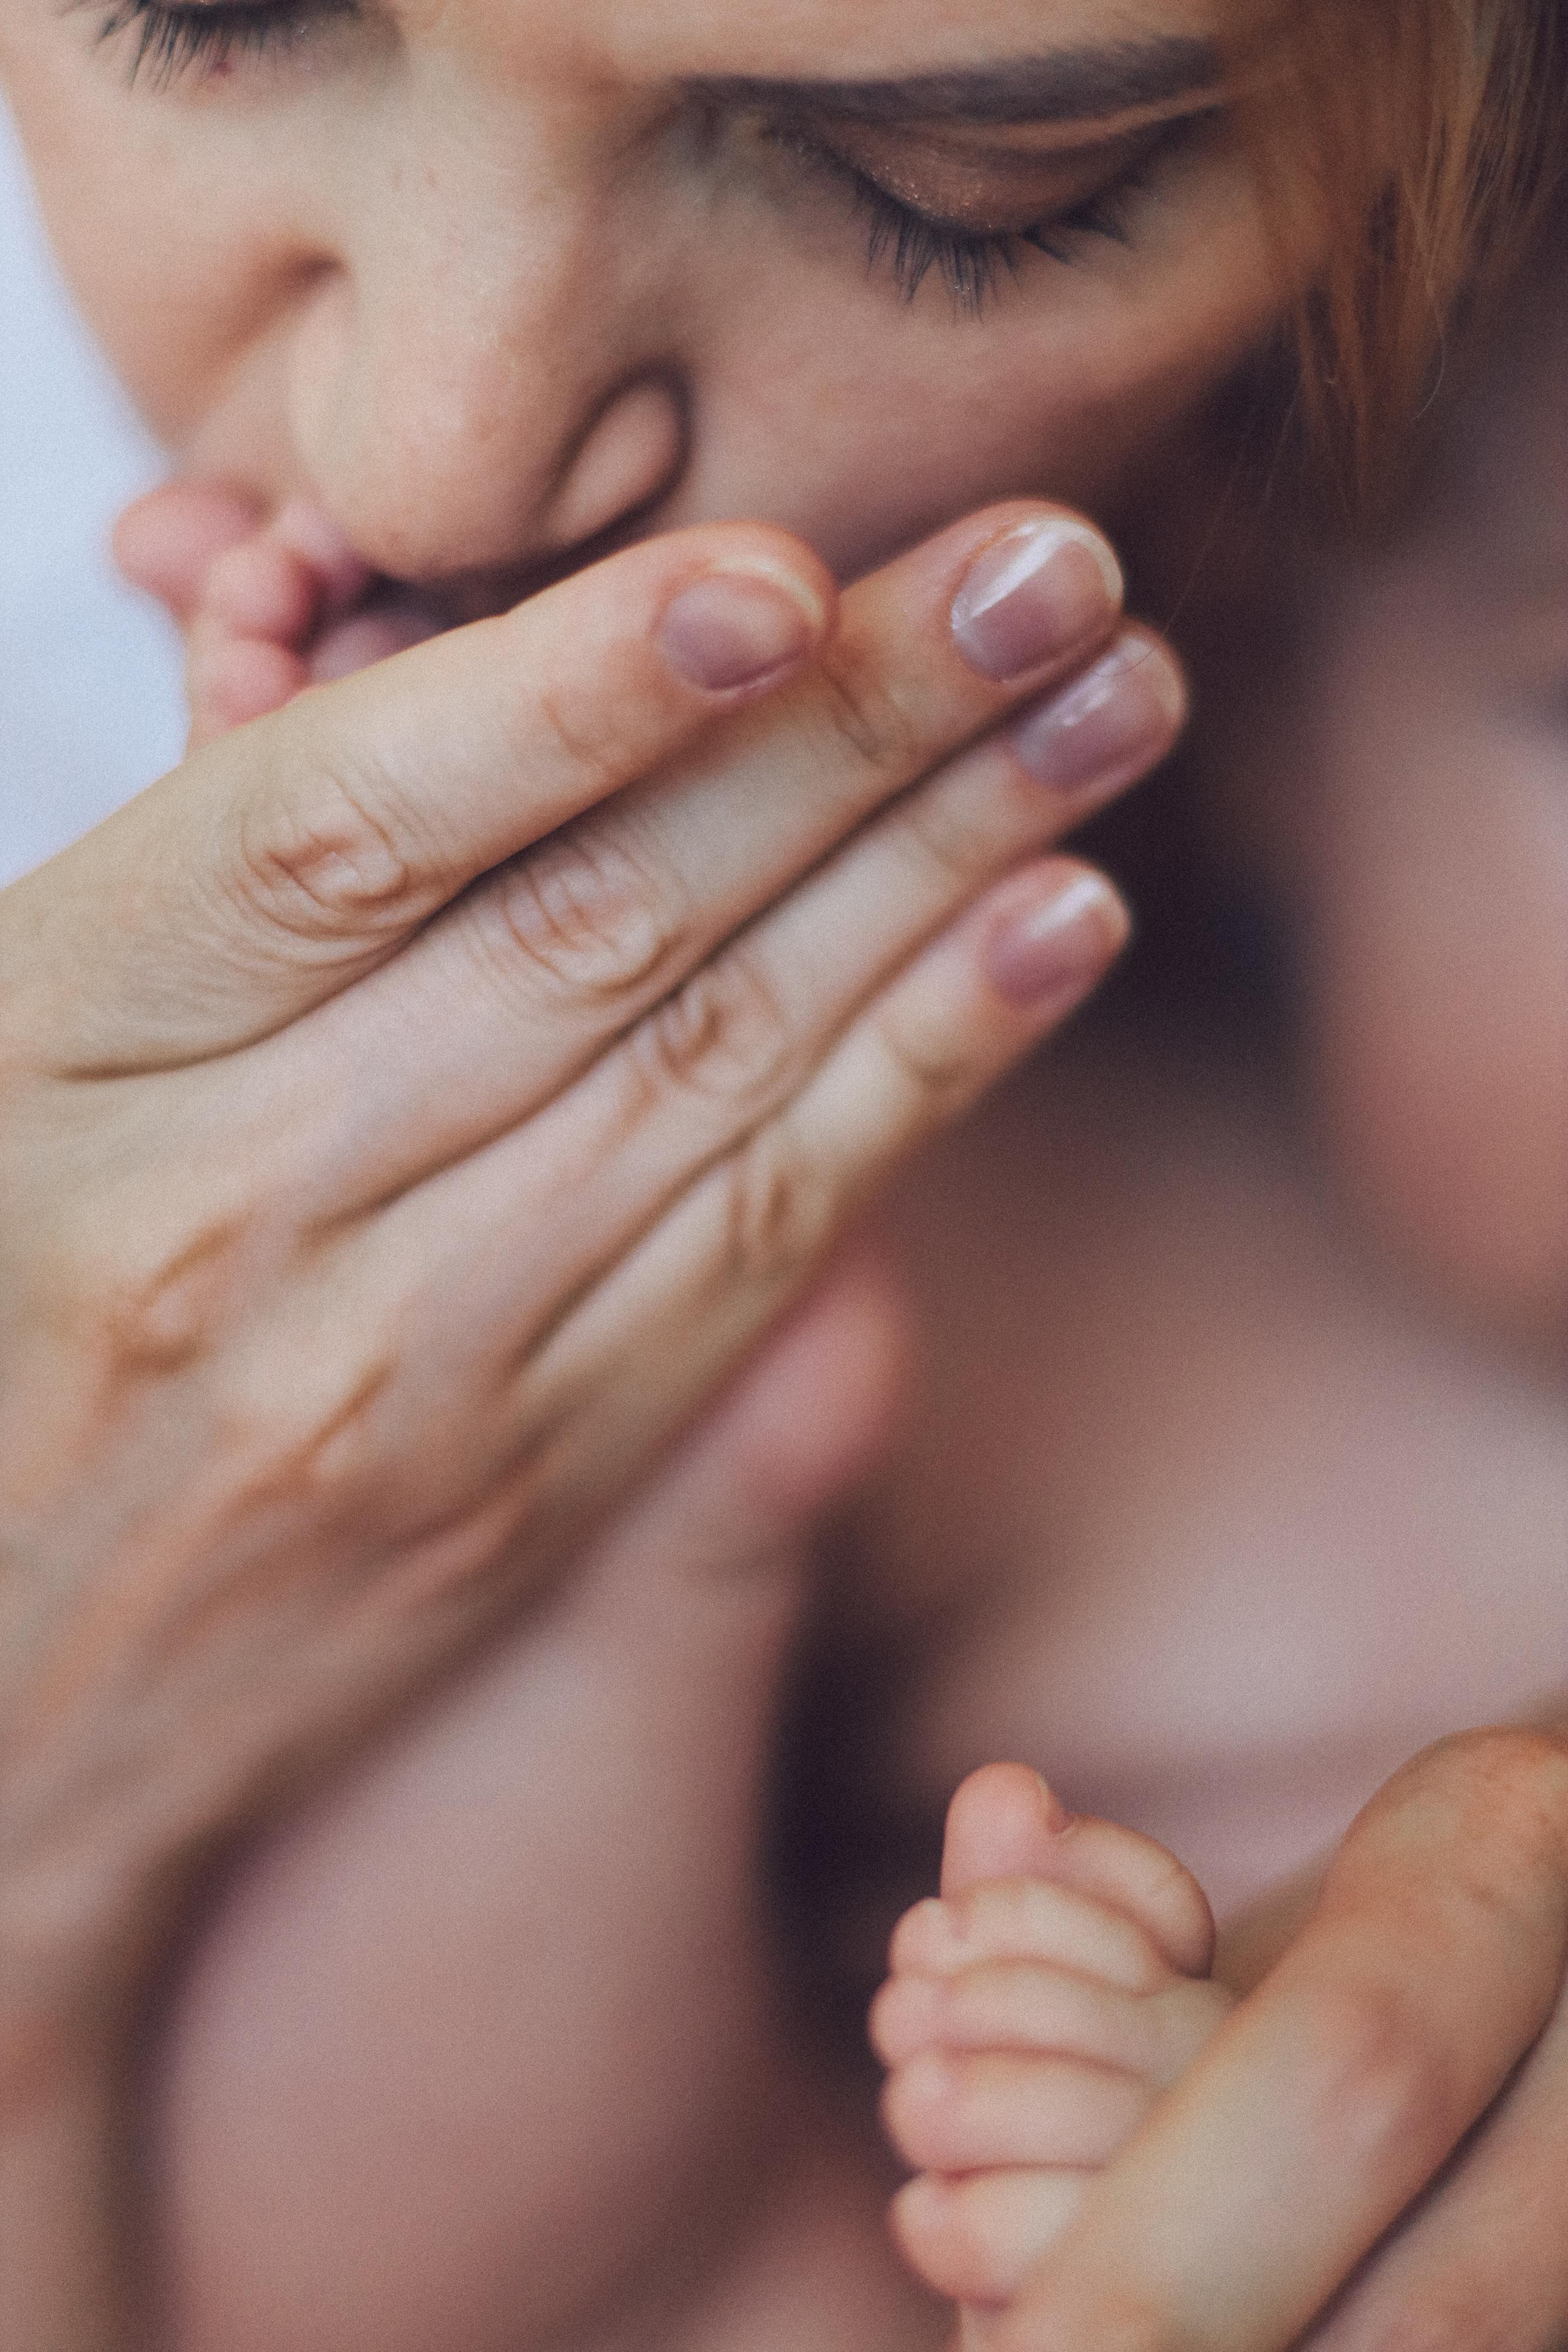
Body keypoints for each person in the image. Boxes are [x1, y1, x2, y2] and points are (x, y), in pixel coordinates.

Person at [0, 2, 1562, 2348]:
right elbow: (482, 2283)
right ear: (1263, 692)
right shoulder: (1023, 1276)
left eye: (968, 181)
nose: (436, 459)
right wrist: (610, 1394)